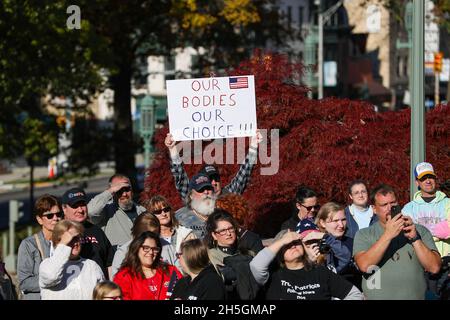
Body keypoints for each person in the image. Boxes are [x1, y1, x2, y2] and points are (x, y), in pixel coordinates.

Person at [353, 184, 442, 299]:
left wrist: (415, 239)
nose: (390, 208)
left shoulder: (418, 230)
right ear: (374, 209)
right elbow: (365, 266)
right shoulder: (364, 234)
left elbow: (434, 267)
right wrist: (388, 235)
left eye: (393, 203)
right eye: (384, 205)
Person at [249, 230, 364, 300]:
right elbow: (256, 265)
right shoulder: (273, 275)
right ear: (279, 251)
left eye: (296, 242)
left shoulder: (320, 272)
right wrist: (282, 241)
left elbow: (355, 295)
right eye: (287, 245)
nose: (293, 246)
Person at [165, 130, 262, 202]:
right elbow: (180, 177)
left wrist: (254, 145)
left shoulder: (228, 194)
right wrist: (173, 149)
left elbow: (245, 172)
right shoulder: (193, 198)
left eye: (216, 178)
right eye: (210, 179)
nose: (214, 182)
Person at [205, 209, 262, 300]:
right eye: (222, 231)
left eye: (230, 228)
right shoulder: (209, 257)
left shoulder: (249, 252)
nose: (228, 233)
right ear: (214, 235)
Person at [39, 220, 105, 300]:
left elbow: (102, 294)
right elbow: (51, 276)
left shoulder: (91, 266)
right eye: (70, 239)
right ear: (58, 242)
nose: (75, 243)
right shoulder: (46, 265)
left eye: (77, 238)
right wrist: (63, 245)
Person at [17, 194, 63, 299]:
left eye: (58, 214)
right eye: (49, 216)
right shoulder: (29, 245)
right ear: (39, 219)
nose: (55, 218)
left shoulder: (67, 242)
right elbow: (24, 282)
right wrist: (52, 280)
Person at [113, 231, 182, 300]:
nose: (151, 252)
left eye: (154, 249)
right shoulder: (124, 276)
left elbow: (184, 292)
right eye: (146, 248)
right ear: (136, 249)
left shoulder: (170, 271)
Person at [62, 187, 113, 279]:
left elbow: (109, 263)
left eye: (83, 205)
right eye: (75, 206)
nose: (80, 210)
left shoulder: (97, 231)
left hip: (100, 289)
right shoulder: (60, 232)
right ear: (64, 209)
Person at [402, 162, 450, 257]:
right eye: (423, 178)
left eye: (430, 177)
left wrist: (420, 232)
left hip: (446, 260)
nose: (428, 181)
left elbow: (447, 231)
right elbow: (407, 235)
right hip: (420, 261)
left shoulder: (447, 203)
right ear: (417, 182)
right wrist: (439, 232)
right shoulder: (408, 208)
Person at [88, 174, 146, 247]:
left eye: (127, 189)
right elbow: (90, 211)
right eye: (119, 190)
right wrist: (110, 191)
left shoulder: (142, 210)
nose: (124, 194)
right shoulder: (105, 210)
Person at [111, 212, 174, 278]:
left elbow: (178, 271)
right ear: (139, 234)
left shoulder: (166, 246)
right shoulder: (122, 253)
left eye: (156, 234)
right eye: (151, 235)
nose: (155, 238)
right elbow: (117, 282)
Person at [143, 195, 196, 270]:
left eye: (166, 210)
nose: (164, 214)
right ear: (151, 215)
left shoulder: (186, 234)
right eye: (158, 211)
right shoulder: (150, 240)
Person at [175, 173, 217, 239]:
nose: (206, 192)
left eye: (208, 188)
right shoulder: (179, 217)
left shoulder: (221, 214)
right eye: (201, 190)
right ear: (191, 195)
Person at [314, 202, 353, 273]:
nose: (341, 225)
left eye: (343, 220)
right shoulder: (314, 245)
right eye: (335, 221)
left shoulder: (352, 243)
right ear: (322, 223)